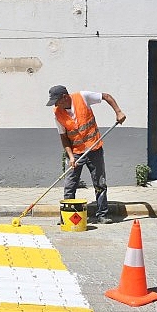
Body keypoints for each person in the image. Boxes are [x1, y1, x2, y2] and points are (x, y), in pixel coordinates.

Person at [46, 85, 126, 224]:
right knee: (70, 184)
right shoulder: (57, 113)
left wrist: (118, 112)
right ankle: (66, 217)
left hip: (94, 148)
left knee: (99, 183)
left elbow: (106, 96)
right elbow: (64, 137)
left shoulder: (82, 96)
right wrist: (70, 156)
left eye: (57, 101)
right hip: (76, 152)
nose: (56, 104)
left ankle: (102, 214)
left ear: (64, 97)